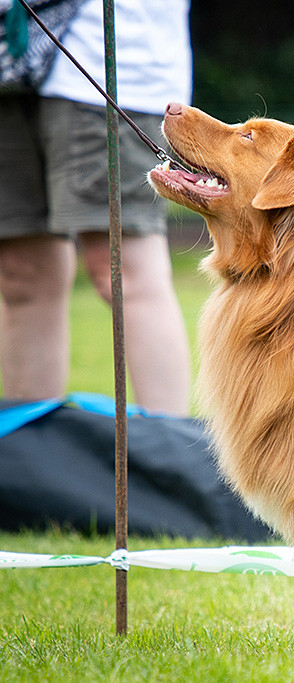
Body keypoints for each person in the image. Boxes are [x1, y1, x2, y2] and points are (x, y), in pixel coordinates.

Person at [0, 0, 192, 415]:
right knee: (20, 276)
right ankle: (30, 462)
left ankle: (167, 465)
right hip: (7, 65)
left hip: (107, 60)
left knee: (122, 273)